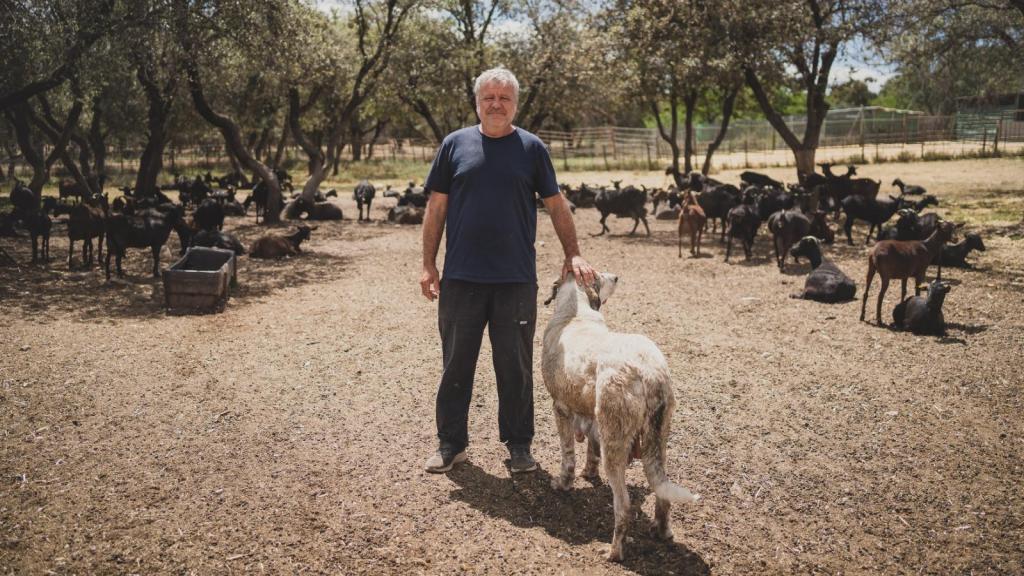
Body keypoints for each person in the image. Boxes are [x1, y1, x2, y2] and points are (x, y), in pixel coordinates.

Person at [419, 67, 595, 474]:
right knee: (455, 364)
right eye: (489, 97)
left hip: (515, 279)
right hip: (461, 277)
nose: (496, 104)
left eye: (504, 98)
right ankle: (451, 444)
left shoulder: (532, 149)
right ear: (477, 102)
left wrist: (573, 253)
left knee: (514, 366)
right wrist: (429, 264)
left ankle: (519, 445)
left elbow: (556, 204)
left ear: (515, 104)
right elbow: (437, 207)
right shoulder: (453, 145)